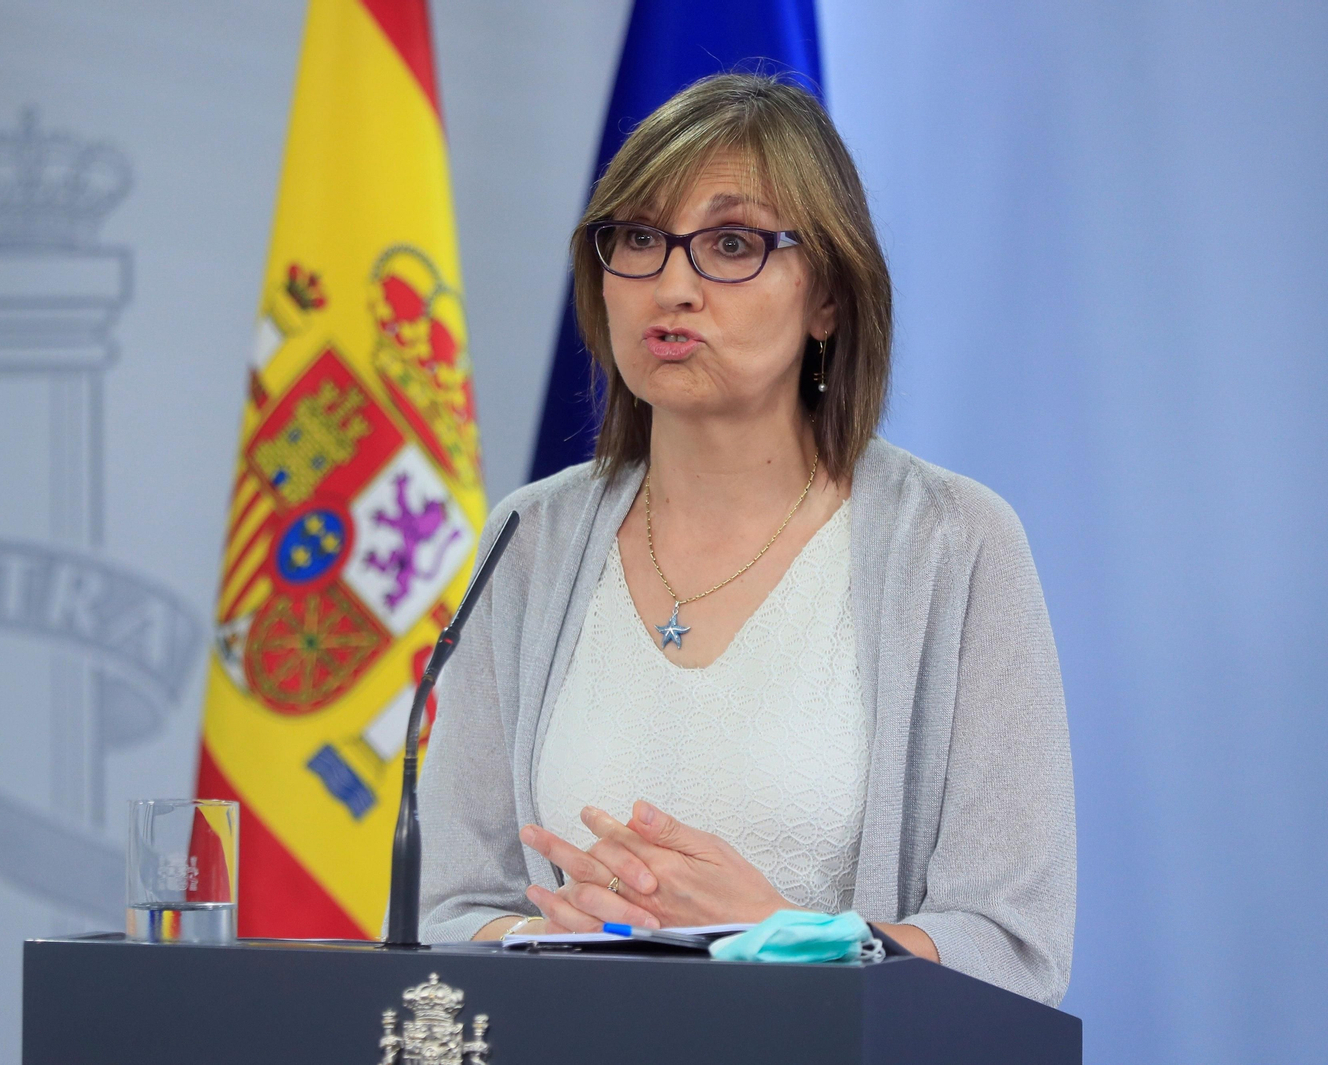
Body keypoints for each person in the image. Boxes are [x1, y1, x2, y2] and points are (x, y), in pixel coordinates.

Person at [416, 73, 1075, 1007]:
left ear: (828, 299)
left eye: (732, 244)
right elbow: (447, 907)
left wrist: (782, 940)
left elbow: (1014, 947)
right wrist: (570, 944)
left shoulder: (954, 543)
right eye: (638, 238)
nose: (672, 286)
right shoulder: (529, 539)